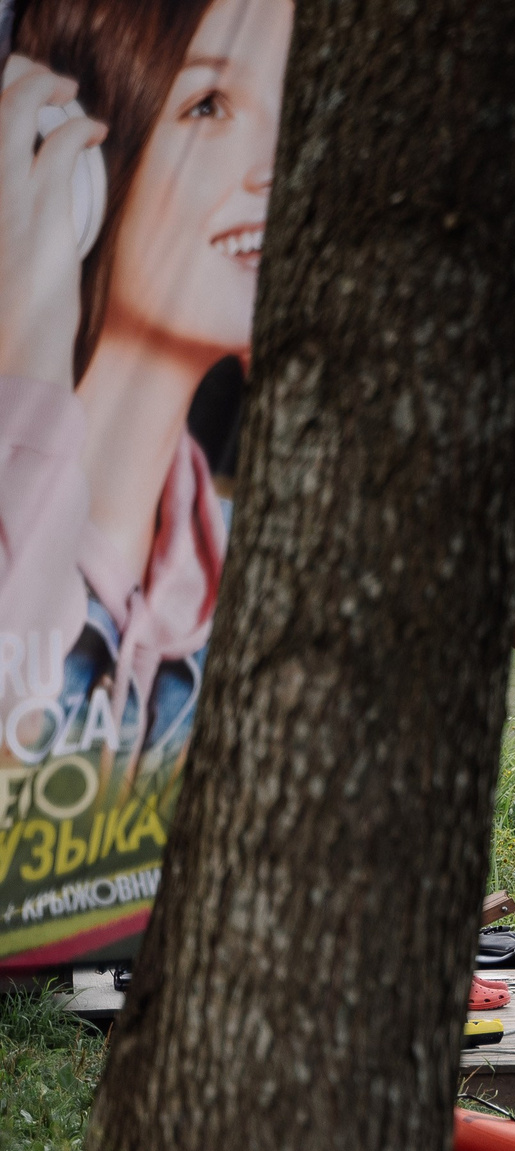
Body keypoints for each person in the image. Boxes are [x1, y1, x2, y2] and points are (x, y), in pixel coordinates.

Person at [0, 0, 292, 769]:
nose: (278, 167)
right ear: (67, 162)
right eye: (210, 105)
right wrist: (27, 376)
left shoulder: (248, 566)